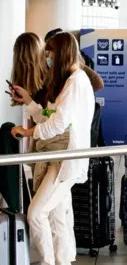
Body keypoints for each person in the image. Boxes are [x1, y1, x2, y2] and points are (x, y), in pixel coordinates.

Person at [10, 32, 95, 265]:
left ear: (62, 54)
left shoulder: (76, 82)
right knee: (58, 216)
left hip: (65, 158)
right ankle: (61, 260)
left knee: (36, 214)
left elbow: (57, 124)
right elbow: (49, 116)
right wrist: (28, 101)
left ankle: (50, 262)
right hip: (58, 158)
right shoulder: (69, 82)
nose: (47, 59)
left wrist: (28, 132)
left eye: (50, 54)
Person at [44, 28, 104, 92]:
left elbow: (98, 83)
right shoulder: (58, 65)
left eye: (51, 50)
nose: (49, 55)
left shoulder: (75, 64)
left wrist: (78, 94)